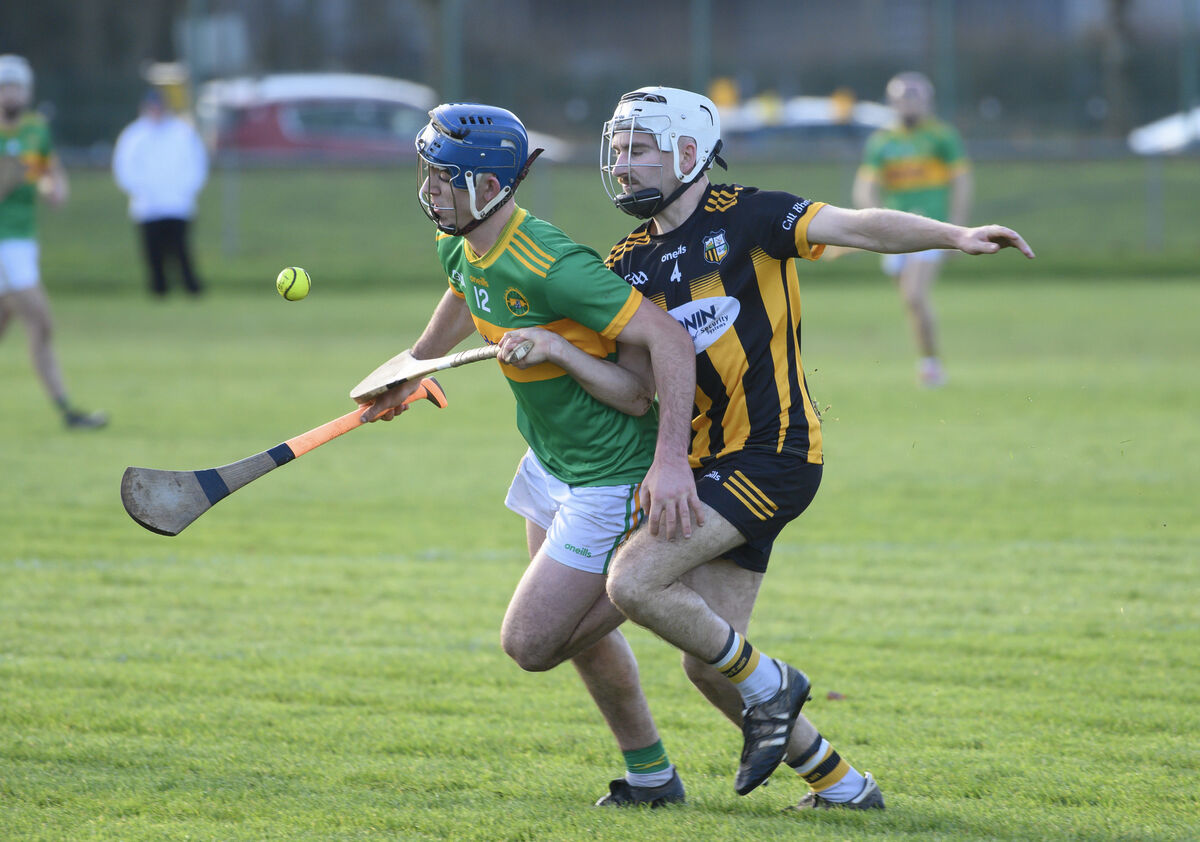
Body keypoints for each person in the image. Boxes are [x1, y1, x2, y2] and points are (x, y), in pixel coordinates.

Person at [511, 85, 1032, 810]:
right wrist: (555, 354)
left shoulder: (750, 215)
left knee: (633, 582)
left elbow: (862, 224)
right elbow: (635, 389)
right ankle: (844, 788)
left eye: (640, 149)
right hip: (700, 468)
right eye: (619, 150)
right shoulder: (626, 261)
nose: (624, 166)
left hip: (773, 455)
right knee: (709, 664)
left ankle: (773, 686)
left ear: (690, 153)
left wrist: (954, 234)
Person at [359, 103, 701, 807]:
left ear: (488, 186)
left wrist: (669, 463)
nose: (430, 190)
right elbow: (465, 287)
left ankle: (657, 576)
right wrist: (413, 367)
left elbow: (666, 340)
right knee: (574, 636)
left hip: (611, 472)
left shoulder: (552, 262)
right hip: (551, 462)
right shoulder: (459, 239)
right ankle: (652, 777)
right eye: (426, 172)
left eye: (444, 177)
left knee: (533, 642)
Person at [0, 54, 107, 430]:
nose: (11, 93)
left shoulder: (35, 131)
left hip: (24, 241)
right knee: (42, 323)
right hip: (4, 244)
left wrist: (54, 188)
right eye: (5, 86)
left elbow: (50, 174)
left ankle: (66, 410)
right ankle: (69, 412)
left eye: (17, 86)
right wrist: (10, 175)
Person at [852, 71, 972, 387]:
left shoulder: (942, 137)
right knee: (910, 302)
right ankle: (927, 359)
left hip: (931, 229)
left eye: (914, 97)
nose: (908, 103)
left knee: (915, 295)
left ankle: (931, 366)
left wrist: (958, 230)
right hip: (894, 232)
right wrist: (871, 220)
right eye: (902, 98)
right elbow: (865, 187)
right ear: (892, 102)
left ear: (928, 101)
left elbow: (961, 181)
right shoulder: (883, 142)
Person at [112, 88, 208, 297]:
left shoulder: (182, 132)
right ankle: (159, 290)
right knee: (153, 252)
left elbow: (197, 164)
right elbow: (124, 168)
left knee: (181, 250)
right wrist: (141, 191)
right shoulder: (133, 135)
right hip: (147, 206)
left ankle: (191, 288)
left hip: (178, 204)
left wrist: (185, 190)